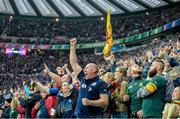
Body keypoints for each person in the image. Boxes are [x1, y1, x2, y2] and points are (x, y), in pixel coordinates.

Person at [69, 38, 108, 118]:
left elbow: (105, 101)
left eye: (87, 68)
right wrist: (73, 47)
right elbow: (74, 63)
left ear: (94, 70)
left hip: (92, 116)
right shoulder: (83, 78)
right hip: (79, 115)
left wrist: (90, 102)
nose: (84, 69)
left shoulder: (100, 83)